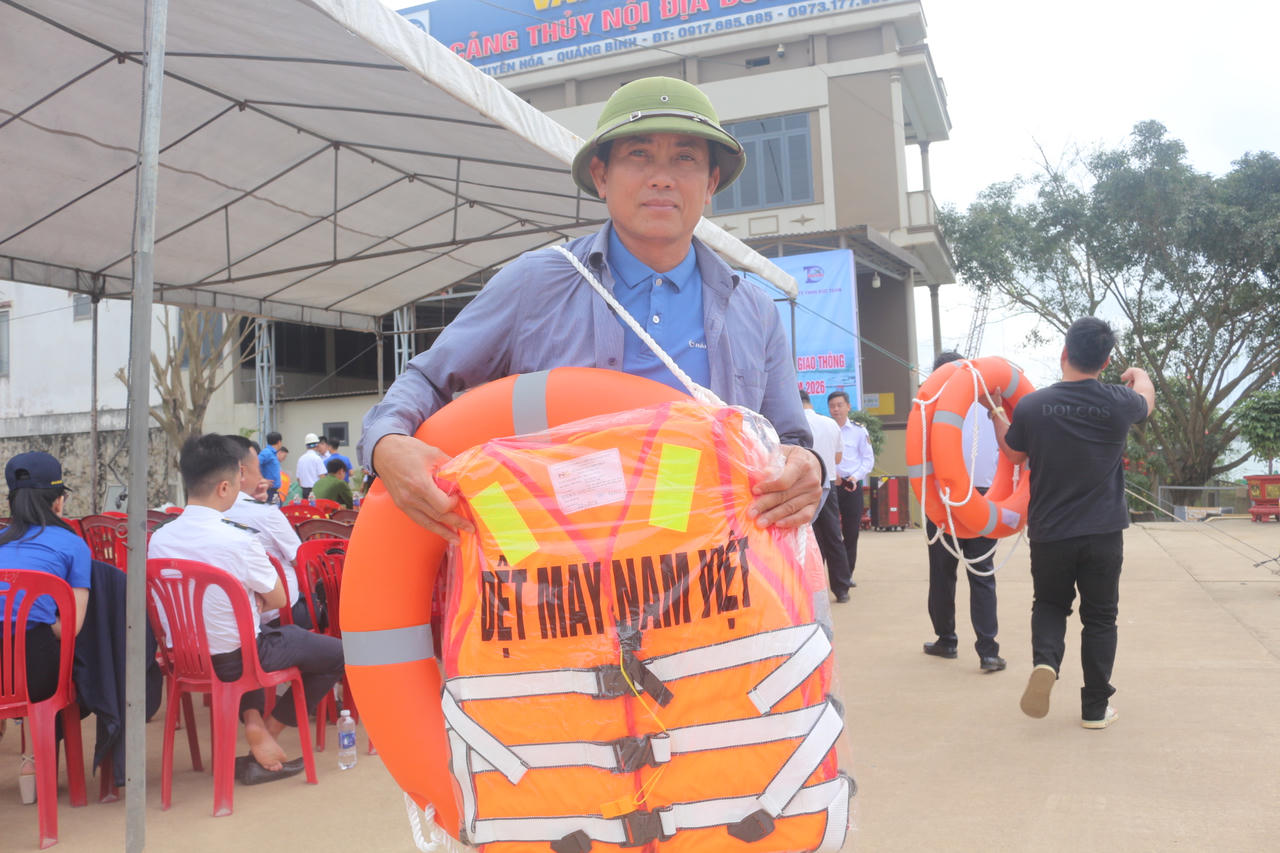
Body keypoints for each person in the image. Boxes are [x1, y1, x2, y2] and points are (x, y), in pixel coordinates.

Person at [358, 76, 821, 538]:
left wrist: (808, 468)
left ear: (710, 183)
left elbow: (791, 442)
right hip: (560, 578)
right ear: (601, 176)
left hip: (715, 584)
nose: (662, 177)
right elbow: (426, 377)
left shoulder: (753, 310)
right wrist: (387, 443)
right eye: (639, 154)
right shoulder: (535, 283)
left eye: (685, 158)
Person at [990, 317, 1154, 729]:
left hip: (1051, 532)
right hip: (1103, 532)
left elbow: (1014, 455)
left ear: (1064, 354)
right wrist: (1139, 374)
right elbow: (1147, 401)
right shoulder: (1119, 401)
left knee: (1049, 604)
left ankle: (1046, 663)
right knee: (1100, 617)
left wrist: (994, 413)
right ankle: (1096, 709)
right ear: (1106, 360)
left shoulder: (1033, 405)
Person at [148, 434, 344, 779]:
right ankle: (268, 728)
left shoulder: (159, 539)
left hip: (184, 660)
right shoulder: (238, 539)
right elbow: (281, 599)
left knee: (252, 632)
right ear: (225, 487)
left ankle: (254, 722)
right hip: (238, 658)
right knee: (337, 654)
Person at [921, 352, 1005, 672]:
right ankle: (988, 651)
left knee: (943, 574)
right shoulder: (988, 408)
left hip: (946, 499)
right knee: (981, 573)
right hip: (980, 496)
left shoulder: (930, 410)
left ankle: (948, 639)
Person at [0, 452, 91, 703]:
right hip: (35, 678)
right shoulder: (74, 546)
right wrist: (32, 617)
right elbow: (70, 629)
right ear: (59, 502)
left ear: (12, 503)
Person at [223, 436, 310, 629]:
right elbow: (301, 561)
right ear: (242, 472)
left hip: (230, 620)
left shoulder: (210, 514)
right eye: (258, 466)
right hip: (278, 616)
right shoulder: (266, 515)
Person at [801, 389, 852, 602]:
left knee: (808, 538)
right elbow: (838, 458)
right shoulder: (830, 424)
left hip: (802, 486)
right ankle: (842, 589)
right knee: (833, 537)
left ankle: (810, 588)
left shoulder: (793, 423)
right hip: (828, 485)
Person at [827, 390, 875, 586]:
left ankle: (847, 574)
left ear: (848, 406)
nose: (836, 409)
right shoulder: (827, 428)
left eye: (839, 405)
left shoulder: (859, 431)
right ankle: (838, 575)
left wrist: (855, 477)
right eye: (832, 406)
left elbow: (867, 459)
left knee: (851, 531)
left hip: (852, 485)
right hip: (831, 484)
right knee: (831, 532)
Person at [295, 433, 326, 500]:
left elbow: (298, 479)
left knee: (307, 509)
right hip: (315, 490)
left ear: (306, 446)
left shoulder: (301, 459)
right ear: (317, 445)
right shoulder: (317, 458)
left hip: (304, 491)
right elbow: (322, 477)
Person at [258, 432, 284, 503]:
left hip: (274, 490)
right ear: (279, 442)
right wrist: (262, 479)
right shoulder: (267, 453)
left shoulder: (273, 453)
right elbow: (255, 464)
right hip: (269, 490)